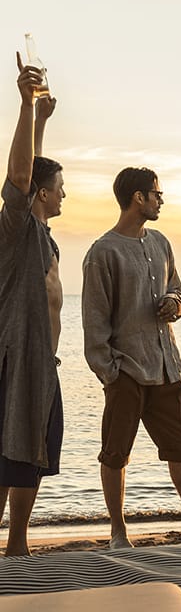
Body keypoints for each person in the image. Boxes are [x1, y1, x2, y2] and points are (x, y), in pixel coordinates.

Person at [82, 167, 181, 548]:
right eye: (157, 194)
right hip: (127, 370)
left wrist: (175, 303)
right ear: (138, 198)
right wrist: (111, 373)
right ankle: (118, 533)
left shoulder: (160, 243)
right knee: (115, 453)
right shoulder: (102, 253)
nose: (161, 200)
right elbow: (94, 322)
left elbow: (177, 290)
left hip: (168, 366)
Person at [0, 54, 64, 556]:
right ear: (42, 195)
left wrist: (41, 123)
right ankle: (11, 543)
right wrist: (25, 107)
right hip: (17, 360)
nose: (67, 194)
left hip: (45, 363)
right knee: (8, 454)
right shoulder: (17, 227)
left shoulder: (42, 231)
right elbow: (23, 175)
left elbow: (35, 171)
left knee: (32, 456)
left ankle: (18, 543)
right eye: (61, 189)